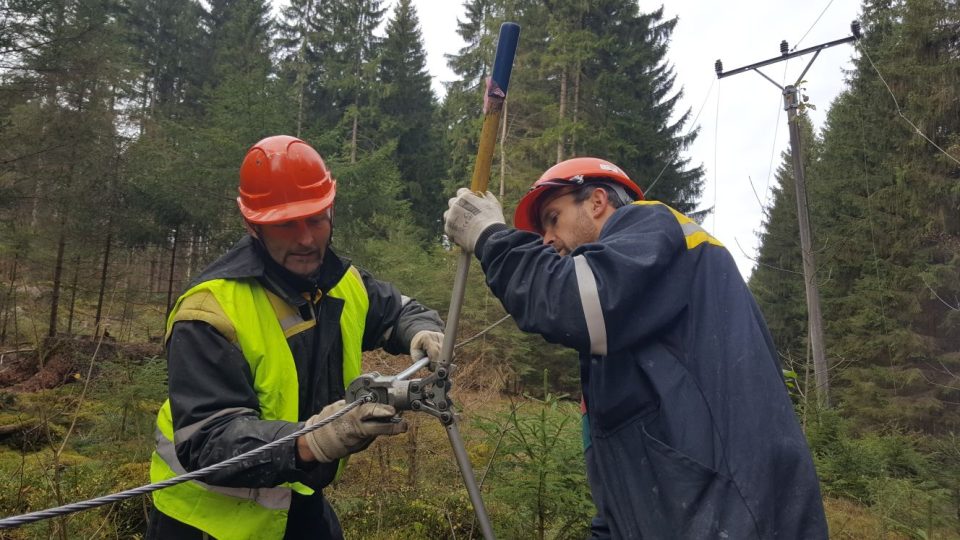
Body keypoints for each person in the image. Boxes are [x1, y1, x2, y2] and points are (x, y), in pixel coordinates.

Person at [443, 157, 828, 539]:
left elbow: (568, 301)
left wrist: (491, 236)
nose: (546, 238)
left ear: (596, 202)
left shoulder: (652, 225)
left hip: (739, 516)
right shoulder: (618, 333)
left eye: (553, 218)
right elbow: (618, 481)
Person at [148, 135, 445, 540]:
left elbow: (399, 311)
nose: (305, 239)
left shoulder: (341, 282)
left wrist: (423, 332)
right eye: (286, 224)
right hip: (207, 520)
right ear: (253, 225)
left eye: (316, 219)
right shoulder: (210, 311)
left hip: (297, 496)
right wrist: (314, 441)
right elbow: (209, 440)